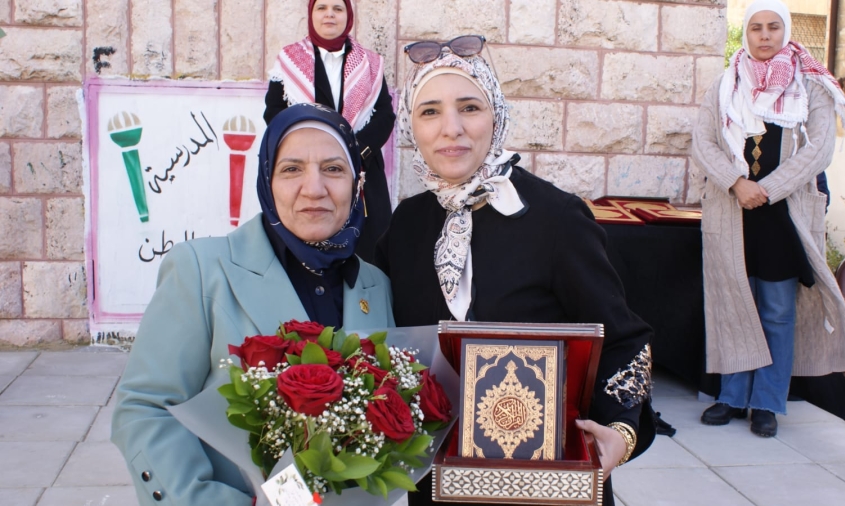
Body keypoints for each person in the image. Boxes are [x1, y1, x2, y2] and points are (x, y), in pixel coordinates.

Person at [374, 37, 655, 506]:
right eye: (430, 112)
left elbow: (625, 339)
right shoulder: (406, 226)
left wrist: (620, 431)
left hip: (545, 482)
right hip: (439, 483)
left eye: (469, 107)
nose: (451, 128)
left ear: (496, 114)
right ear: (410, 126)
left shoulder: (557, 219)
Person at [112, 103, 394, 506]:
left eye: (333, 169)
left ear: (356, 183)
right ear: (267, 180)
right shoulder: (201, 270)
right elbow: (146, 408)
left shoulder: (375, 285)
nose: (314, 188)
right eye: (292, 169)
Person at [692, 0, 845, 438]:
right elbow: (703, 143)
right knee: (735, 304)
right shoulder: (726, 84)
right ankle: (732, 396)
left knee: (778, 310)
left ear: (784, 32)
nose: (764, 35)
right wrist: (736, 183)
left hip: (783, 215)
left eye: (772, 27)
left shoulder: (811, 86)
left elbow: (819, 148)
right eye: (756, 28)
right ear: (746, 34)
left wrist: (767, 188)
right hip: (733, 212)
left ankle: (766, 402)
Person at [264, 0, 395, 262]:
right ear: (311, 14)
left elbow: (384, 115)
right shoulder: (289, 60)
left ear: (348, 16)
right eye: (321, 8)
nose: (329, 15)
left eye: (337, 8)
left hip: (363, 168)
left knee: (370, 248)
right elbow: (274, 112)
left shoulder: (369, 63)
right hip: (308, 166)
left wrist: (355, 152)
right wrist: (307, 148)